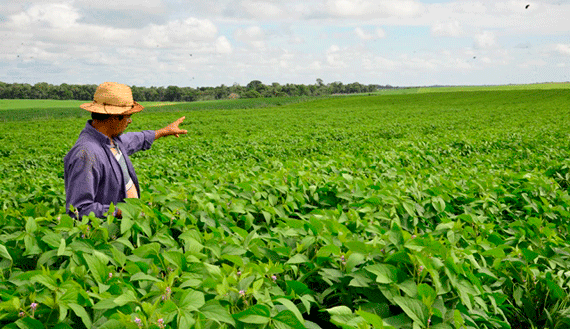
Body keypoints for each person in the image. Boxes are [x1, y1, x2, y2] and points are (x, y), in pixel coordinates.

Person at [64, 81, 187, 219]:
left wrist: (163, 131)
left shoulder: (113, 140)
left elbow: (136, 139)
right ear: (114, 117)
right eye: (128, 116)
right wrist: (119, 212)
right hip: (107, 235)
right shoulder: (86, 154)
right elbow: (78, 209)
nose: (129, 121)